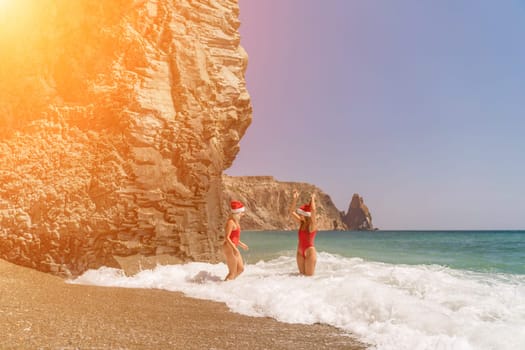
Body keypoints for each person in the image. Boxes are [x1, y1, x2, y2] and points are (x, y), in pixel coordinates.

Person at [289, 190, 318, 276]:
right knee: (301, 279)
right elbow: (291, 212)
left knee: (308, 279)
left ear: (306, 215)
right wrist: (294, 199)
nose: (300, 215)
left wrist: (312, 198)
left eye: (301, 213)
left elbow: (313, 210)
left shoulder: (313, 225)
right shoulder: (301, 223)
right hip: (299, 252)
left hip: (310, 253)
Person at [223, 200, 249, 280]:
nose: (243, 214)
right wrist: (234, 249)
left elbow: (234, 237)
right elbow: (227, 237)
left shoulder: (236, 222)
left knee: (240, 269)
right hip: (229, 248)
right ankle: (224, 287)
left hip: (233, 246)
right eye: (241, 212)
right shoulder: (230, 222)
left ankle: (228, 284)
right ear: (236, 213)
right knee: (232, 272)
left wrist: (241, 244)